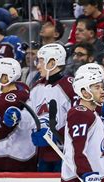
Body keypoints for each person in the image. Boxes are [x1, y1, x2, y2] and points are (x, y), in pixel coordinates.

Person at [28, 43, 76, 172]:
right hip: (43, 154)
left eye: (41, 61)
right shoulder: (37, 87)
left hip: (65, 154)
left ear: (52, 63)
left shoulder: (70, 86)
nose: (38, 66)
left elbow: (79, 119)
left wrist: (56, 133)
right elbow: (29, 116)